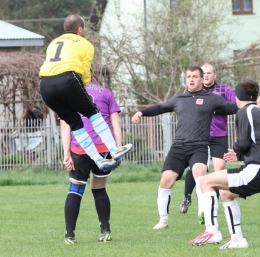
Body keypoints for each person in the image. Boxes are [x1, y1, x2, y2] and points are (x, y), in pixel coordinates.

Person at [132, 65, 238, 230]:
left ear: (202, 79)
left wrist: (252, 102)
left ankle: (203, 213)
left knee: (200, 174)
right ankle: (163, 220)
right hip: (179, 146)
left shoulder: (212, 98)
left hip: (200, 146)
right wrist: (142, 113)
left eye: (195, 76)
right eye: (189, 76)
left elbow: (233, 108)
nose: (191, 79)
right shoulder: (179, 99)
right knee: (166, 179)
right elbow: (160, 108)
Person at [39, 14, 132, 172]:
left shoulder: (53, 43)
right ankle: (113, 149)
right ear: (80, 29)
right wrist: (83, 87)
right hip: (68, 79)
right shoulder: (86, 44)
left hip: (45, 86)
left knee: (75, 124)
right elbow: (85, 72)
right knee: (92, 112)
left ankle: (98, 159)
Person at [189, 78, 260, 249]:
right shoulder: (257, 111)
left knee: (205, 181)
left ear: (238, 96)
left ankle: (212, 230)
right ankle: (237, 240)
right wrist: (241, 157)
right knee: (226, 194)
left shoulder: (245, 111)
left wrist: (236, 150)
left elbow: (243, 142)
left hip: (255, 170)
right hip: (254, 167)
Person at [61, 80, 122, 244]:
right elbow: (115, 121)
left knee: (75, 189)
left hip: (81, 147)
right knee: (99, 188)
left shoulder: (68, 92)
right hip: (104, 147)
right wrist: (117, 148)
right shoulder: (105, 92)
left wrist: (66, 153)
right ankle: (105, 231)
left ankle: (70, 235)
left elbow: (66, 126)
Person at [179, 63, 236, 223]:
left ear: (215, 75)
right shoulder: (195, 91)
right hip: (199, 136)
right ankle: (188, 197)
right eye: (203, 73)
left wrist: (214, 109)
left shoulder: (225, 90)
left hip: (219, 135)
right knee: (197, 168)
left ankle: (208, 205)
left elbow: (235, 107)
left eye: (209, 73)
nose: (206, 76)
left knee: (219, 169)